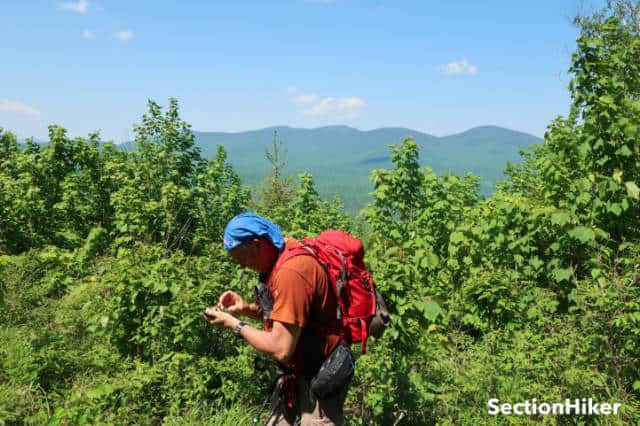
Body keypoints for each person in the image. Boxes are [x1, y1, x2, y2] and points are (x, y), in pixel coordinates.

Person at [204, 212, 351, 425]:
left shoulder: (292, 271)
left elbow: (282, 348)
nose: (242, 267)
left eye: (241, 259)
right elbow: (288, 316)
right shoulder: (280, 255)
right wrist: (245, 308)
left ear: (257, 245)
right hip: (297, 371)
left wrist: (235, 324)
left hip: (322, 373)